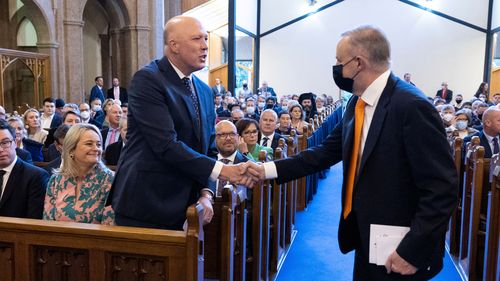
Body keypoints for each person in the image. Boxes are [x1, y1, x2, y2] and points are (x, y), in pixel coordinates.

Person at [246, 26, 457, 281]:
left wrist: (412, 250)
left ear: (358, 63)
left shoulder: (411, 106)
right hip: (366, 235)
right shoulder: (358, 101)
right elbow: (325, 152)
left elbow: (442, 188)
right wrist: (265, 170)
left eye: (338, 62)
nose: (336, 68)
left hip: (399, 247)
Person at [109, 16, 255, 231]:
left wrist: (206, 192)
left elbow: (208, 147)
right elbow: (166, 144)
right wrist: (224, 171)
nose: (205, 45)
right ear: (173, 45)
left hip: (190, 204)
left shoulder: (204, 90)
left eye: (206, 38)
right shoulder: (148, 80)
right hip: (147, 204)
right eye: (197, 39)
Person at [43, 124, 114, 225]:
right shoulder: (56, 180)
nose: (96, 149)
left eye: (98, 145)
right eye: (89, 144)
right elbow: (47, 222)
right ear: (72, 149)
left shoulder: (110, 180)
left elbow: (109, 227)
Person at [0, 119, 49, 219]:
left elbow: (34, 221)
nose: (0, 150)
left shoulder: (36, 176)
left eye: (5, 143)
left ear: (15, 143)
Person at [214, 120, 248, 196]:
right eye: (223, 135)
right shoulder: (207, 161)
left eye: (232, 134)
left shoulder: (248, 165)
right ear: (214, 138)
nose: (228, 138)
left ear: (238, 137)